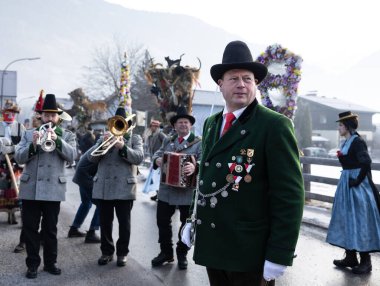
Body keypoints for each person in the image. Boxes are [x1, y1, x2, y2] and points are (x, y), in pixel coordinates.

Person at [181, 41, 304, 285]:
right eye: (234, 78)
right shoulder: (212, 123)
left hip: (249, 252)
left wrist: (280, 253)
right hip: (214, 245)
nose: (241, 85)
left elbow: (289, 196)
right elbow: (206, 176)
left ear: (256, 84)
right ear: (220, 84)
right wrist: (191, 220)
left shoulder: (274, 125)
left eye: (248, 79)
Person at [15, 94, 77, 279]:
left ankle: (51, 263)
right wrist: (33, 145)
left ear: (58, 117)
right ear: (41, 116)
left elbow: (73, 155)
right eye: (46, 115)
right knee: (30, 229)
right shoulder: (28, 134)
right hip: (31, 189)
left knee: (50, 230)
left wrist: (57, 141)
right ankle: (32, 265)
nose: (50, 118)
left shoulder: (67, 135)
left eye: (53, 115)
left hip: (53, 190)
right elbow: (19, 158)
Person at [87, 107, 143, 267]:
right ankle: (106, 252)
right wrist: (104, 144)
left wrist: (122, 147)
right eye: (117, 123)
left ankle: (122, 253)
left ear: (128, 125)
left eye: (122, 123)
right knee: (105, 222)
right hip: (104, 187)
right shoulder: (104, 137)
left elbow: (139, 158)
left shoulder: (135, 138)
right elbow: (91, 158)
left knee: (124, 223)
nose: (118, 127)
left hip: (124, 188)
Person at [326, 111, 380, 274]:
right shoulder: (347, 141)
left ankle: (365, 261)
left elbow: (366, 163)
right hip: (346, 185)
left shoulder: (357, 142)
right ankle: (350, 256)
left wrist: (356, 181)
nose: (339, 128)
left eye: (341, 125)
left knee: (360, 220)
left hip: (357, 186)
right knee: (346, 218)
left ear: (348, 126)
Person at [150, 107, 201, 270]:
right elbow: (157, 154)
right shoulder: (168, 140)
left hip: (187, 191)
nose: (183, 125)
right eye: (180, 122)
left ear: (190, 125)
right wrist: (157, 159)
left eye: (186, 122)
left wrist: (195, 167)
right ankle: (166, 252)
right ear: (175, 126)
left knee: (186, 224)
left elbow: (204, 160)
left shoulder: (199, 142)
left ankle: (181, 252)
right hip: (167, 190)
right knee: (162, 222)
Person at [67, 146, 100, 243]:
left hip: (82, 174)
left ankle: (74, 229)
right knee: (102, 204)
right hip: (86, 176)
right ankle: (92, 233)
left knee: (86, 203)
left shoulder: (101, 143)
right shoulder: (105, 143)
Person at [0, 100, 25, 225]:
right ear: (3, 113)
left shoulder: (20, 127)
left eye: (12, 112)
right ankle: (5, 211)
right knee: (2, 188)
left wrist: (13, 148)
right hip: (0, 162)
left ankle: (14, 213)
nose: (9, 115)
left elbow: (24, 145)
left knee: (15, 188)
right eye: (7, 112)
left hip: (15, 162)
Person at [143, 119, 167, 200]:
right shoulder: (150, 136)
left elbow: (167, 143)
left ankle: (160, 195)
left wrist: (163, 156)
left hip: (160, 160)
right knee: (155, 178)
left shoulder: (160, 134)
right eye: (152, 126)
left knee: (159, 179)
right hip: (154, 160)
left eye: (155, 126)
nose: (154, 128)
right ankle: (157, 194)